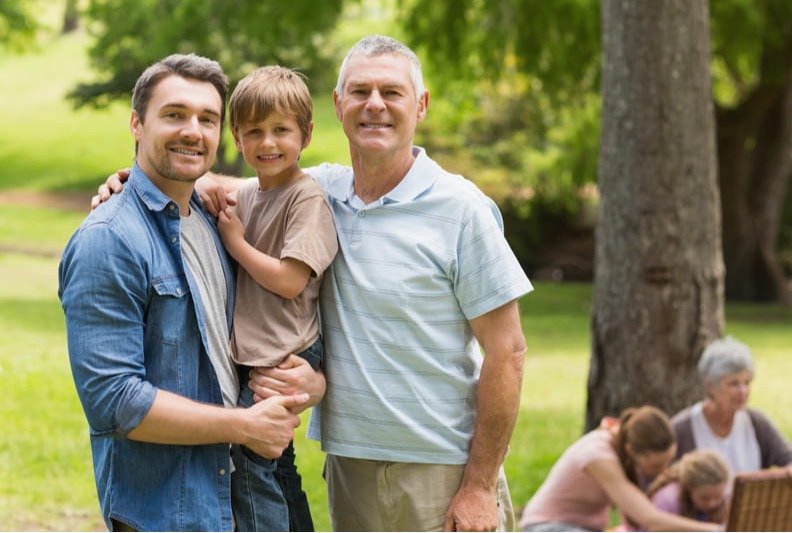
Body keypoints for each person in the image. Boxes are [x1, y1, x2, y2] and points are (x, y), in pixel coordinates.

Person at [93, 34, 534, 531]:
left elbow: (507, 351)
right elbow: (219, 184)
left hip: (441, 469)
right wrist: (129, 179)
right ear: (338, 106)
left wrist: (478, 486)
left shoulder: (460, 209)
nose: (375, 105)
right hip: (350, 465)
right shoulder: (322, 190)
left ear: (422, 105)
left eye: (392, 92)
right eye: (360, 91)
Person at [58, 53, 313, 531]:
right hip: (171, 510)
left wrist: (311, 381)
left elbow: (306, 192)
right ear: (137, 122)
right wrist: (244, 425)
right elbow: (116, 402)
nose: (193, 131)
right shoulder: (109, 239)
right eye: (174, 115)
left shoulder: (221, 220)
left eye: (208, 119)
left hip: (253, 490)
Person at [222, 66, 338, 532]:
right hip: (261, 348)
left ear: (306, 135)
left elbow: (291, 280)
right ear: (237, 137)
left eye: (280, 130)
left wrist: (237, 244)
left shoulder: (306, 199)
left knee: (247, 454)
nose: (267, 143)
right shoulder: (248, 193)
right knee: (277, 461)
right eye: (254, 131)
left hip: (287, 351)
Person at [518, 406, 721, 532]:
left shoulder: (622, 443)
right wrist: (716, 530)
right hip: (547, 527)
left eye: (667, 463)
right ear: (631, 450)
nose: (662, 471)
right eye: (656, 466)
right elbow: (649, 519)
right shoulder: (599, 456)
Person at [671, 336, 792, 474]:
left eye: (747, 382)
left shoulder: (757, 423)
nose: (743, 391)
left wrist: (789, 473)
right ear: (710, 386)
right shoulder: (683, 429)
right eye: (733, 383)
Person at [646, 449, 729, 524]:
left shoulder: (725, 504)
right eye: (704, 498)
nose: (712, 504)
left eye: (718, 496)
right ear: (689, 488)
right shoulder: (668, 500)